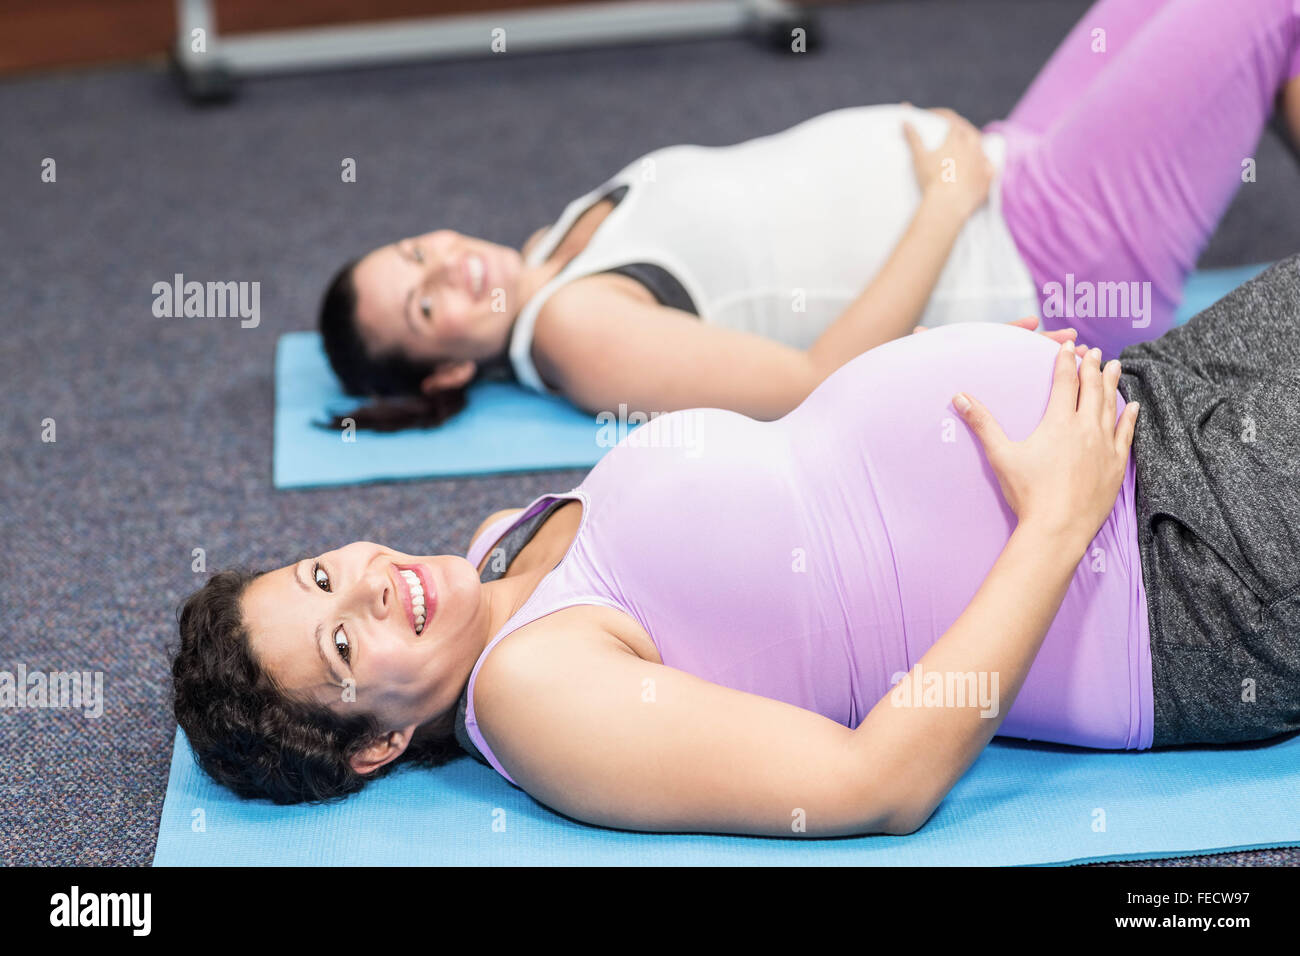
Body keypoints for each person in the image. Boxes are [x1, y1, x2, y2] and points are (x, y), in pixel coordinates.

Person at [172, 256, 1300, 835]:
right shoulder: (531, 695)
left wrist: (961, 373)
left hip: (1141, 394)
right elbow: (875, 785)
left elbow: (805, 485)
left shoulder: (500, 544)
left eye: (322, 573)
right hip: (1181, 567)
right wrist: (1055, 519)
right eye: (341, 643)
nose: (368, 587)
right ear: (377, 743)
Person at [316, 0, 1300, 431]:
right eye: (426, 306)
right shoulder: (573, 327)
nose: (448, 268)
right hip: (1042, 250)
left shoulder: (551, 248)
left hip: (1009, 163)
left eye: (416, 252)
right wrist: (946, 197)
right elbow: (813, 382)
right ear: (446, 370)